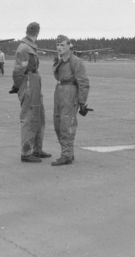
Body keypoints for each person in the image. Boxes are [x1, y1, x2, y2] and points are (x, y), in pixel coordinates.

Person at [9, 22, 51, 163]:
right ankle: (26, 153)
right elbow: (19, 70)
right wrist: (17, 86)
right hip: (28, 82)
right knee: (29, 117)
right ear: (37, 32)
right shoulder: (24, 48)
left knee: (39, 116)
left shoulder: (29, 46)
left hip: (33, 80)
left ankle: (37, 149)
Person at [52, 34, 90, 165]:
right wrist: (57, 62)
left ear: (69, 46)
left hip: (70, 92)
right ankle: (68, 152)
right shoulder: (60, 60)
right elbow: (57, 76)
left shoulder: (75, 61)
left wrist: (82, 102)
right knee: (57, 123)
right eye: (57, 45)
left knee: (66, 124)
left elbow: (83, 82)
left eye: (62, 45)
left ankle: (66, 155)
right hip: (60, 91)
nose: (59, 47)